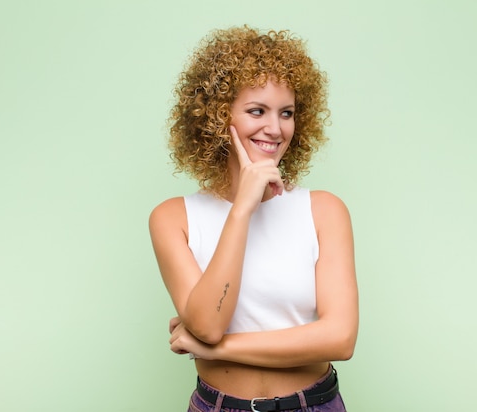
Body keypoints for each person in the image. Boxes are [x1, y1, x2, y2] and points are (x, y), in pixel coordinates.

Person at [149, 25, 358, 412]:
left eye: (287, 113)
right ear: (216, 117)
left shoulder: (324, 210)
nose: (275, 129)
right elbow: (208, 324)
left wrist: (217, 349)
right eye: (256, 111)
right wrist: (242, 208)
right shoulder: (173, 218)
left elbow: (340, 339)